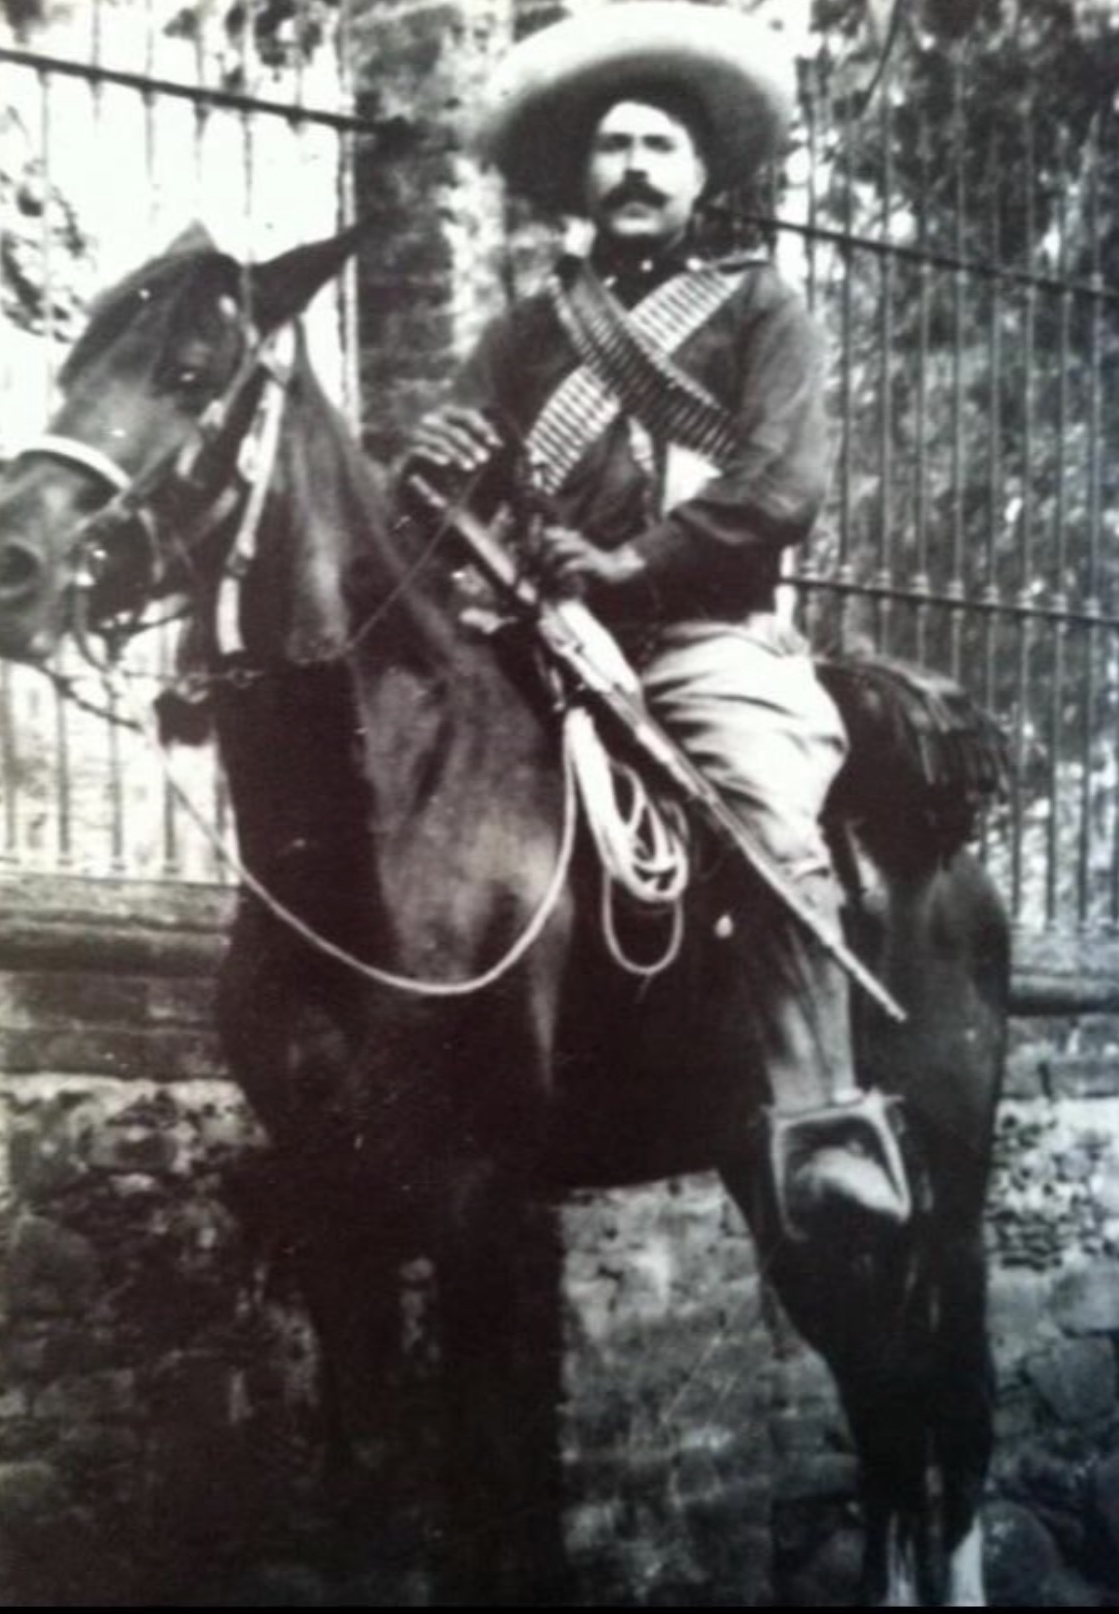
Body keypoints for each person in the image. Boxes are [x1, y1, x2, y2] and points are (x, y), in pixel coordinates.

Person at [402, 3, 909, 1236]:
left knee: (765, 814)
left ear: (698, 176)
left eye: (658, 147)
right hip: (531, 649)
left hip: (698, 646)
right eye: (612, 146)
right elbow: (444, 497)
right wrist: (433, 461)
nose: (632, 166)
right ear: (580, 177)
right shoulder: (526, 333)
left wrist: (630, 567)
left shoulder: (758, 311)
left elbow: (781, 489)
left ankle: (822, 1125)